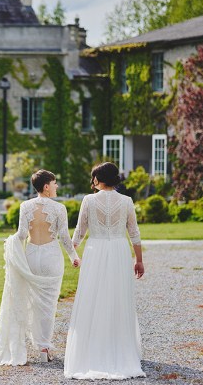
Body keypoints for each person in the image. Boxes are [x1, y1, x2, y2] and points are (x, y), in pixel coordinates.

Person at [64, 162, 146, 380]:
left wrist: (72, 252)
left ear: (98, 179)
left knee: (93, 297)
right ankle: (119, 347)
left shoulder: (89, 200)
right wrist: (139, 260)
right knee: (118, 297)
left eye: (93, 178)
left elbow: (80, 232)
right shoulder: (126, 201)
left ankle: (93, 348)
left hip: (95, 250)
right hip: (119, 250)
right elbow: (134, 233)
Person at [0, 169, 80, 366]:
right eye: (54, 183)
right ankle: (43, 347)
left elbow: (22, 234)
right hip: (50, 255)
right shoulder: (59, 209)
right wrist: (74, 256)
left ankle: (38, 344)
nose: (57, 186)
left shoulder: (25, 206)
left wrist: (12, 248)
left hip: (31, 255)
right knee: (49, 304)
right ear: (46, 186)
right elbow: (64, 237)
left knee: (33, 302)